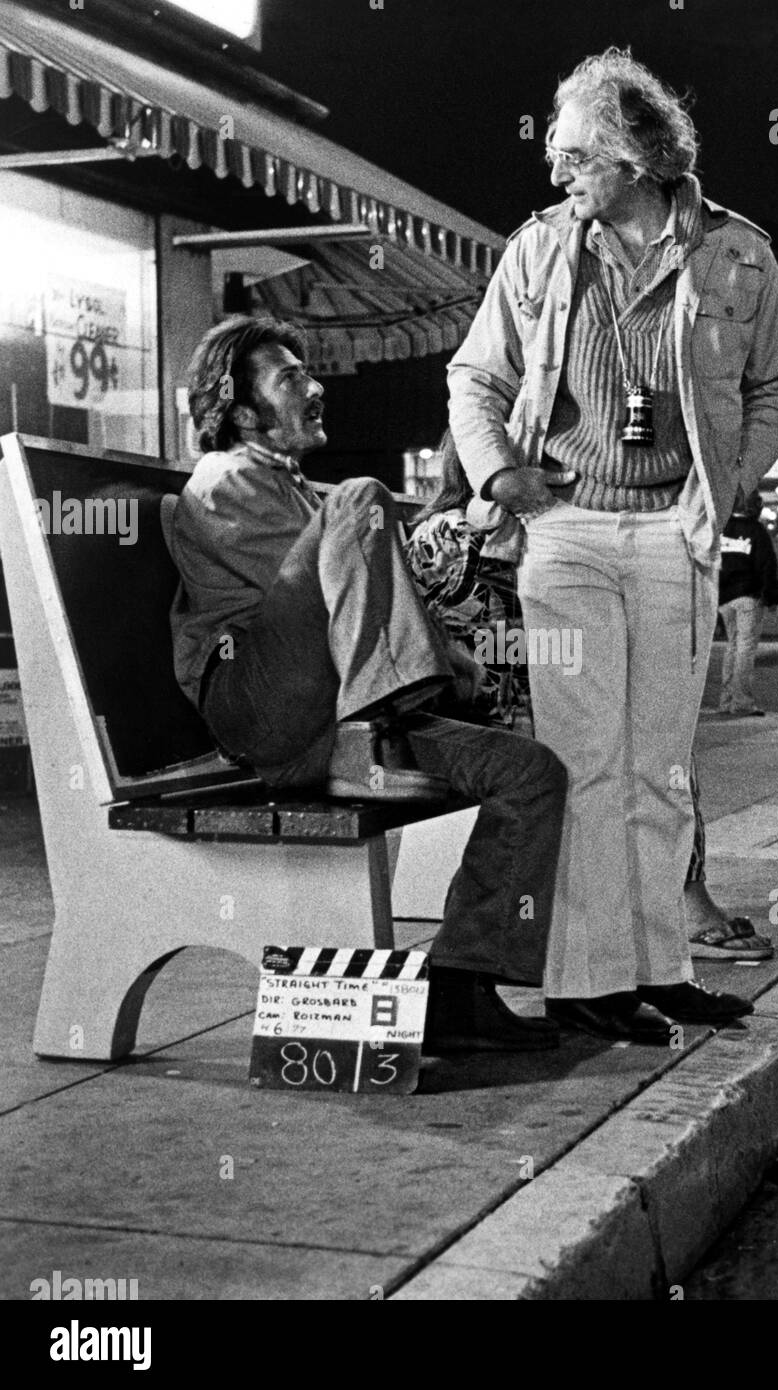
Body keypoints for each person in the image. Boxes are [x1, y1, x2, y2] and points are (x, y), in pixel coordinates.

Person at [448, 49, 778, 1042]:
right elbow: (474, 377)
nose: (555, 173)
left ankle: (660, 966)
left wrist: (727, 484)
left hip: (673, 534)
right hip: (563, 533)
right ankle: (585, 978)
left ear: (630, 157)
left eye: (572, 156)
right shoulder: (537, 251)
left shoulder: (737, 254)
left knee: (660, 768)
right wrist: (497, 474)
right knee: (584, 759)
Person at [168, 315, 569, 1057]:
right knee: (360, 497)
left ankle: (461, 982)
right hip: (264, 711)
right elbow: (328, 609)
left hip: (341, 718)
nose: (316, 389)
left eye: (308, 374)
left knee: (531, 772)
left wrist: (457, 667)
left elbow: (367, 606)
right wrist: (447, 666)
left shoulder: (293, 488)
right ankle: (375, 730)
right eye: (289, 379)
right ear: (239, 408)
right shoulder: (224, 480)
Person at [406, 433, 773, 962]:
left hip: (472, 716)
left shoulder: (433, 533)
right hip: (510, 723)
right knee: (659, 733)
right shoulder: (506, 529)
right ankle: (684, 904)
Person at [717, 489, 778, 716]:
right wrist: (775, 598)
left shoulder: (722, 528)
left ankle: (726, 701)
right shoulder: (756, 531)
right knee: (745, 649)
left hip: (725, 598)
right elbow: (766, 566)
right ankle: (742, 702)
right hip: (748, 596)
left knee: (732, 646)